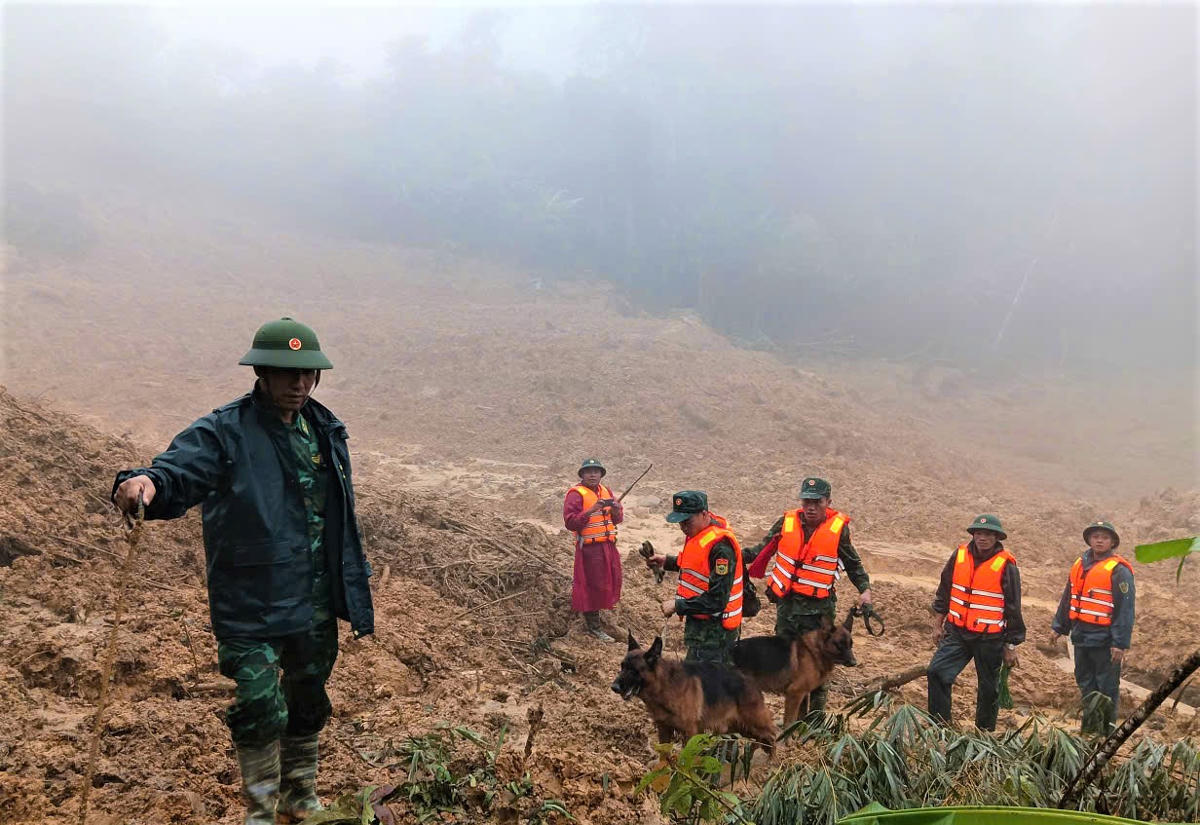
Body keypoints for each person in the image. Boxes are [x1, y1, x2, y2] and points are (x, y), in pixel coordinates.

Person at [111, 317, 374, 825]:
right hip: (252, 598)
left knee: (308, 695)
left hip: (314, 594)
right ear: (261, 372)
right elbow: (178, 471)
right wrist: (145, 483)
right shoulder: (224, 431)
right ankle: (259, 811)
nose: (299, 384)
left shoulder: (326, 428)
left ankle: (300, 802)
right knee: (257, 702)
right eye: (286, 374)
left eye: (307, 375)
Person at [743, 476, 872, 716]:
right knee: (787, 666)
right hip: (788, 609)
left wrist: (864, 589)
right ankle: (794, 721)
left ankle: (815, 722)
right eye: (806, 501)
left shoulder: (837, 530)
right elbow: (760, 550)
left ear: (828, 502)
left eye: (817, 502)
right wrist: (734, 556)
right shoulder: (786, 522)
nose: (811, 507)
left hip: (819, 613)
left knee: (820, 667)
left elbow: (853, 562)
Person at [927, 514, 1024, 731]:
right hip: (958, 632)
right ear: (973, 534)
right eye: (979, 533)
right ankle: (939, 728)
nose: (982, 538)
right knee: (936, 672)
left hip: (989, 638)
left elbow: (1013, 607)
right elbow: (944, 591)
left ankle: (984, 733)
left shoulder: (1007, 565)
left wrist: (1010, 646)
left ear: (997, 537)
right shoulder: (959, 555)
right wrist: (937, 625)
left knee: (989, 689)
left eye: (988, 534)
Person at [1051, 520, 1135, 734]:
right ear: (1089, 539)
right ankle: (1089, 731)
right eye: (1095, 536)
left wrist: (1120, 643)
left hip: (1105, 640)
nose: (1099, 540)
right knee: (1085, 683)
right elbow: (1068, 597)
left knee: (1106, 689)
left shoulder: (1119, 570)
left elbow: (1125, 609)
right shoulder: (1080, 564)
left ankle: (1106, 735)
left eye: (1105, 537)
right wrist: (1059, 627)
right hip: (1081, 637)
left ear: (1112, 542)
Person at [644, 491, 744, 663]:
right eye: (680, 522)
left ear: (704, 514)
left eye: (687, 521)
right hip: (701, 629)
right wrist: (666, 562)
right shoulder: (697, 534)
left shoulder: (721, 548)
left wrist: (678, 606)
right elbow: (697, 566)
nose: (683, 527)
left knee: (705, 684)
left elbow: (717, 600)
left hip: (715, 635)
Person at [562, 458, 624, 641]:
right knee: (592, 585)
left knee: (610, 580)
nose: (592, 474)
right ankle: (594, 627)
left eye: (596, 471)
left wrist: (615, 509)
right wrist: (591, 510)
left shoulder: (607, 492)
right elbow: (570, 522)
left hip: (608, 546)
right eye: (588, 471)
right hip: (590, 549)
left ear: (601, 474)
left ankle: (601, 615)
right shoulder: (575, 494)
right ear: (582, 474)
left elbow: (617, 519)